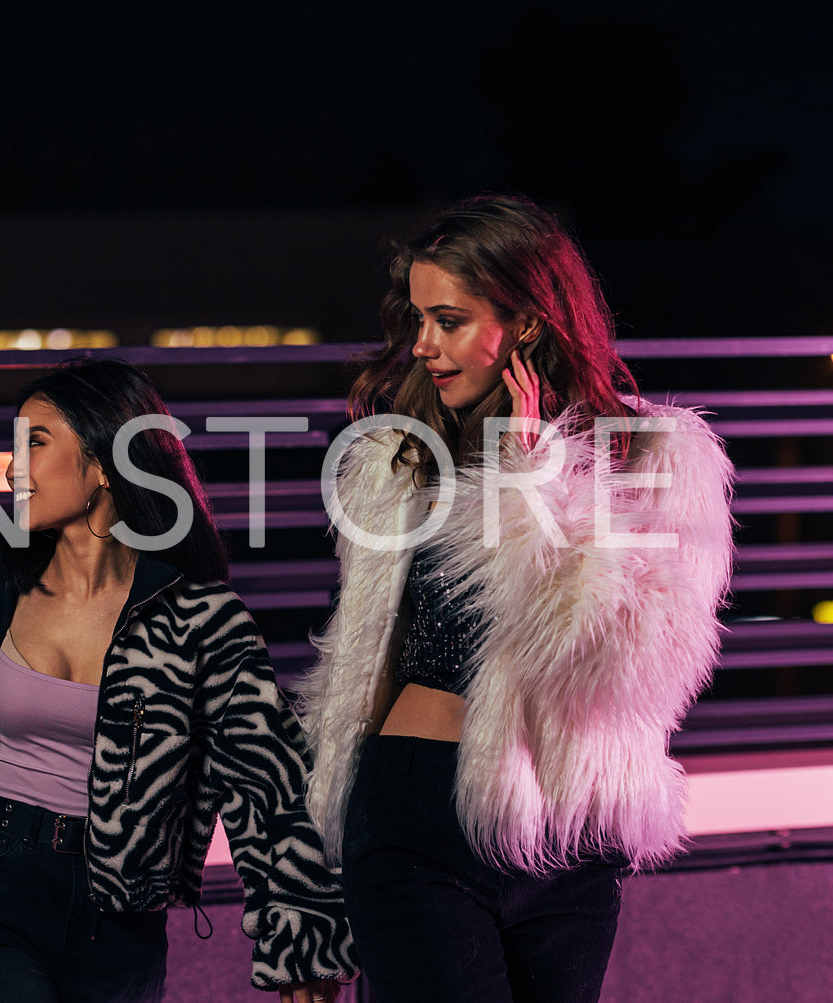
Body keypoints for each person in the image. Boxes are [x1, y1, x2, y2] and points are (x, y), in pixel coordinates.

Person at [297, 195, 734, 1002]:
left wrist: (531, 483)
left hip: (564, 833)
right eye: (417, 318)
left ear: (525, 324)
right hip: (410, 813)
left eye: (448, 319)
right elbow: (359, 663)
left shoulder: (653, 456)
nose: (422, 345)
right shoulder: (399, 460)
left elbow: (632, 661)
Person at [0, 357, 353, 1002]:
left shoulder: (202, 620)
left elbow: (268, 784)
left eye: (34, 443)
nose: (12, 469)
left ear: (104, 464)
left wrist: (302, 944)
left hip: (121, 921)